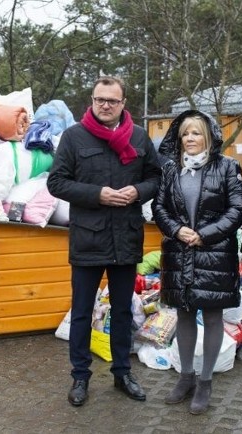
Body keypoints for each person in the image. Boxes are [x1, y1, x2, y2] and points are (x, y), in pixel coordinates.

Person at [47, 76, 161, 407]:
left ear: (124, 103)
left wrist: (138, 191)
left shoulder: (139, 137)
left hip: (126, 238)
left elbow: (155, 177)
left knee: (123, 310)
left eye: (112, 100)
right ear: (92, 101)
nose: (105, 106)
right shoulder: (73, 137)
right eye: (99, 100)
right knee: (82, 311)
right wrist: (98, 195)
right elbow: (57, 182)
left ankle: (122, 372)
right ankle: (80, 376)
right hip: (88, 238)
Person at [151, 110, 242, 414]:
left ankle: (205, 381)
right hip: (179, 253)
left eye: (196, 133)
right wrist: (177, 230)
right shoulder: (170, 169)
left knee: (214, 315)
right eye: (185, 134)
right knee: (185, 314)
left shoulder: (228, 167)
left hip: (214, 253)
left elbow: (237, 209)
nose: (190, 139)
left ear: (208, 136)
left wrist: (204, 235)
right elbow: (159, 206)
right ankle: (186, 377)